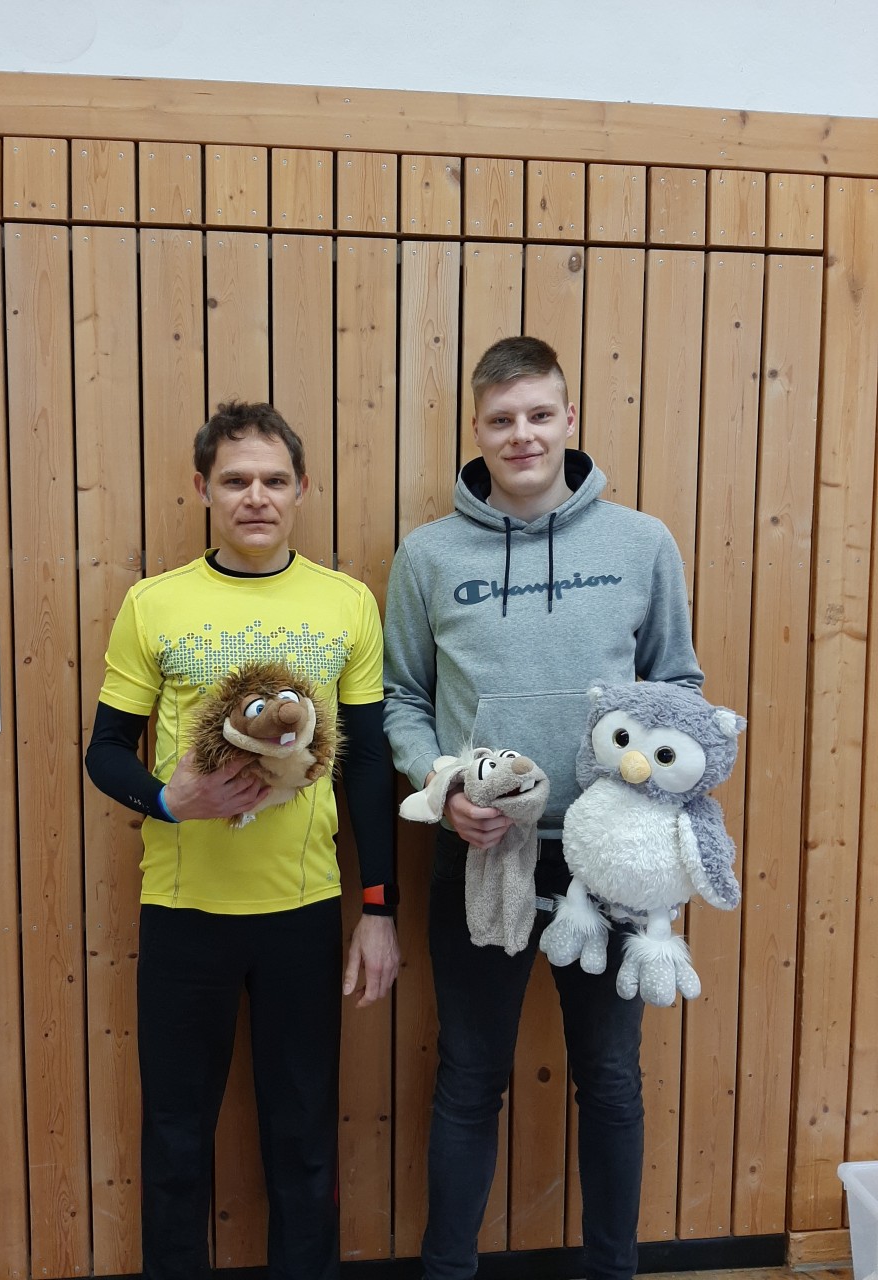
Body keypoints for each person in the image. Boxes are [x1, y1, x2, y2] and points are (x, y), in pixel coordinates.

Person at [382, 336, 703, 1280]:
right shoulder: (427, 555)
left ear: (570, 419)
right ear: (476, 430)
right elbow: (401, 699)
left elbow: (677, 689)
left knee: (609, 1079)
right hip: (482, 851)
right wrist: (444, 790)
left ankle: (612, 1270)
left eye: (537, 415)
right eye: (500, 419)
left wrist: (646, 804)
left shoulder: (642, 543)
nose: (520, 434)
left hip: (614, 862)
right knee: (470, 1077)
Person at [85, 400, 400, 1280]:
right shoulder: (154, 604)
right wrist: (167, 800)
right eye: (234, 480)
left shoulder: (347, 603)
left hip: (303, 912)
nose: (255, 496)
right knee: (176, 1142)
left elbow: (368, 764)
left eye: (273, 479)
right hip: (184, 912)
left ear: (302, 489)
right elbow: (104, 751)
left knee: (304, 1144)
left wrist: (378, 908)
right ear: (203, 489)